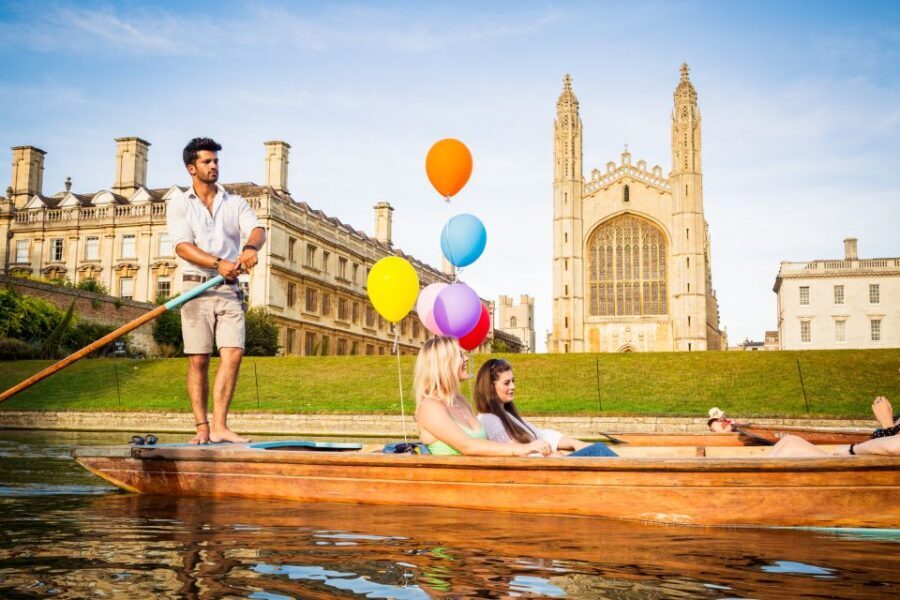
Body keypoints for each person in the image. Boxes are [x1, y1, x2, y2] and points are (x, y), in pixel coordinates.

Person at [166, 137, 267, 444]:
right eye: (207, 162)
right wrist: (218, 262)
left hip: (229, 289)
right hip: (195, 288)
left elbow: (258, 229)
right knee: (198, 359)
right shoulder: (179, 203)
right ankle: (202, 428)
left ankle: (221, 426)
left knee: (233, 353)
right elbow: (183, 247)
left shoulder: (234, 202)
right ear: (191, 168)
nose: (214, 166)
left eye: (216, 161)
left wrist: (250, 247)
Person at [414, 337, 551, 457]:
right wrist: (520, 449)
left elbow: (484, 444)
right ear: (445, 363)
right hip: (455, 483)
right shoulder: (430, 406)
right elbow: (467, 446)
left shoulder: (460, 399)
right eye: (460, 355)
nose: (466, 358)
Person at [473, 358, 618, 457]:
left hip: (547, 467)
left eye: (513, 381)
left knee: (597, 449)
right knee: (599, 450)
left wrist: (575, 443)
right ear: (491, 387)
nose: (513, 386)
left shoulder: (506, 414)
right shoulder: (489, 419)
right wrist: (548, 457)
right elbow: (516, 454)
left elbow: (541, 434)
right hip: (540, 474)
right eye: (507, 383)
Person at [770, 396, 900, 457]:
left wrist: (851, 449)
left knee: (790, 449)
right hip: (866, 468)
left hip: (870, 480)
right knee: (790, 440)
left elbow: (893, 447)